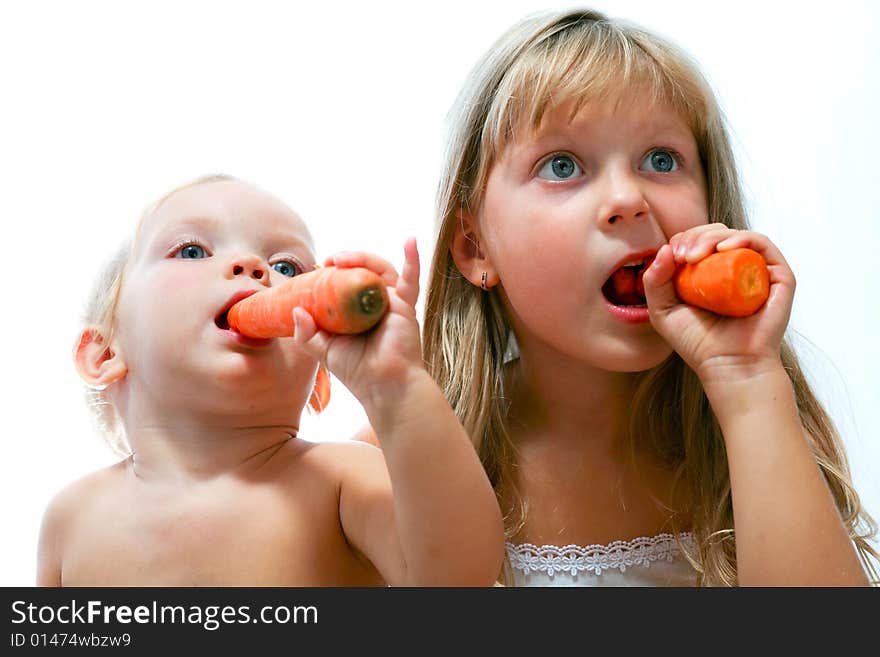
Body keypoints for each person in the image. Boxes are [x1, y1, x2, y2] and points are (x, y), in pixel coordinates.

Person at [416, 9, 878, 586]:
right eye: (563, 165)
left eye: (662, 160)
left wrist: (747, 381)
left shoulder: (757, 434)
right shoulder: (404, 457)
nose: (627, 198)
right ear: (474, 248)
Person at [36, 174, 504, 586]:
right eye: (192, 250)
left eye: (286, 268)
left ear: (319, 377)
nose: (253, 267)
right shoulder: (71, 519)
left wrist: (399, 389)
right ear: (105, 353)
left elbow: (459, 579)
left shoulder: (341, 480)